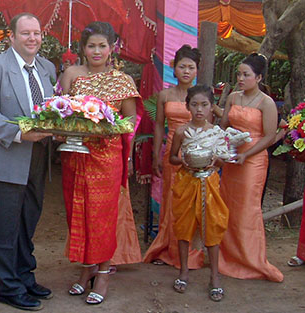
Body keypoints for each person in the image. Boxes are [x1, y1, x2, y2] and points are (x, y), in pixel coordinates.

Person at [0, 13, 56, 311]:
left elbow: (53, 109)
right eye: (26, 33)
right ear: (12, 36)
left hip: (39, 157)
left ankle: (24, 274)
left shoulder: (47, 68)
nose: (32, 38)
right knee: (7, 223)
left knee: (29, 219)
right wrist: (22, 133)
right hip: (9, 154)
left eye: (37, 33)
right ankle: (8, 286)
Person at [59, 21, 140, 305]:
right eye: (91, 46)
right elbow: (60, 111)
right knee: (76, 213)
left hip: (106, 159)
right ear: (82, 48)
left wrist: (106, 128)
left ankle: (103, 272)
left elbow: (130, 120)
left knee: (101, 218)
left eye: (102, 46)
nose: (96, 51)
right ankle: (87, 269)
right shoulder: (71, 74)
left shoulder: (122, 80)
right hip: (75, 155)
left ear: (112, 48)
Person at [219, 53, 283, 282]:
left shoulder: (266, 102)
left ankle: (250, 259)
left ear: (258, 77)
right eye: (239, 74)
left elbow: (269, 136)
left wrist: (247, 154)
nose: (240, 78)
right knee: (228, 206)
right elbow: (224, 125)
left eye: (246, 75)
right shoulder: (233, 98)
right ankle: (228, 256)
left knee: (247, 208)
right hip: (233, 157)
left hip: (253, 160)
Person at [143, 45, 205, 269]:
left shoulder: (201, 95)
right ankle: (169, 248)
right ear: (174, 68)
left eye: (191, 67)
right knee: (171, 199)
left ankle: (190, 251)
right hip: (171, 151)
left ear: (197, 70)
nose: (186, 71)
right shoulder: (165, 95)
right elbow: (159, 125)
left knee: (191, 201)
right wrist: (156, 154)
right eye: (182, 67)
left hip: (196, 152)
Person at [169, 85, 229, 302]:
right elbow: (172, 158)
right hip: (186, 181)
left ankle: (214, 277)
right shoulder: (181, 131)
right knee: (184, 227)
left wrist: (215, 160)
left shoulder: (217, 132)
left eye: (204, 105)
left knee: (212, 227)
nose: (199, 110)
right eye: (194, 105)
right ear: (187, 107)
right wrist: (184, 161)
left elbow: (223, 159)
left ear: (212, 107)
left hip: (209, 183)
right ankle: (183, 271)